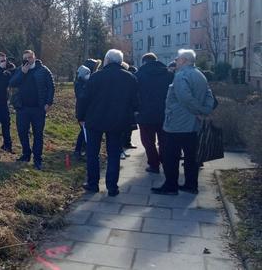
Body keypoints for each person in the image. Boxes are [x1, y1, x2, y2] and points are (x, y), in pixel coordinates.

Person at [151, 49, 215, 195]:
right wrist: (205, 110)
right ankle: (191, 185)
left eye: (178, 59)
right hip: (193, 126)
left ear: (185, 60)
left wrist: (199, 110)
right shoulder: (200, 75)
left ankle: (171, 186)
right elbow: (209, 95)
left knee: (170, 156)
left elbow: (185, 98)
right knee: (191, 157)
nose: (176, 61)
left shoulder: (181, 76)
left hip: (177, 124)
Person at [77, 49, 138, 196]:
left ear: (107, 60)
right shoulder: (130, 78)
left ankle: (93, 184)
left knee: (93, 153)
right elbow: (135, 103)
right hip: (117, 121)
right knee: (114, 154)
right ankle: (112, 187)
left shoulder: (96, 77)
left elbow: (84, 98)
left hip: (95, 119)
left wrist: (81, 117)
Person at [9, 50, 55, 170]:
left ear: (34, 57)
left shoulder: (43, 70)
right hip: (22, 108)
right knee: (22, 132)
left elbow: (51, 86)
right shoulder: (20, 70)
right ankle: (26, 154)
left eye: (30, 57)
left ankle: (37, 159)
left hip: (38, 109)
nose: (28, 60)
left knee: (38, 134)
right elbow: (12, 83)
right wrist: (22, 73)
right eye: (25, 58)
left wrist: (49, 103)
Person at [135, 53, 174, 174]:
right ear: (156, 61)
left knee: (148, 141)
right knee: (164, 140)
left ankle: (153, 164)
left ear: (144, 62)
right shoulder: (169, 74)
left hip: (145, 114)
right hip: (165, 113)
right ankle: (165, 160)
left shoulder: (138, 75)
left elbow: (135, 95)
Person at [73, 59, 101, 159]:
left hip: (87, 110)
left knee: (84, 131)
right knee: (85, 131)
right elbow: (82, 98)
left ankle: (80, 149)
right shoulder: (81, 83)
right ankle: (80, 150)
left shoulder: (86, 81)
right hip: (83, 111)